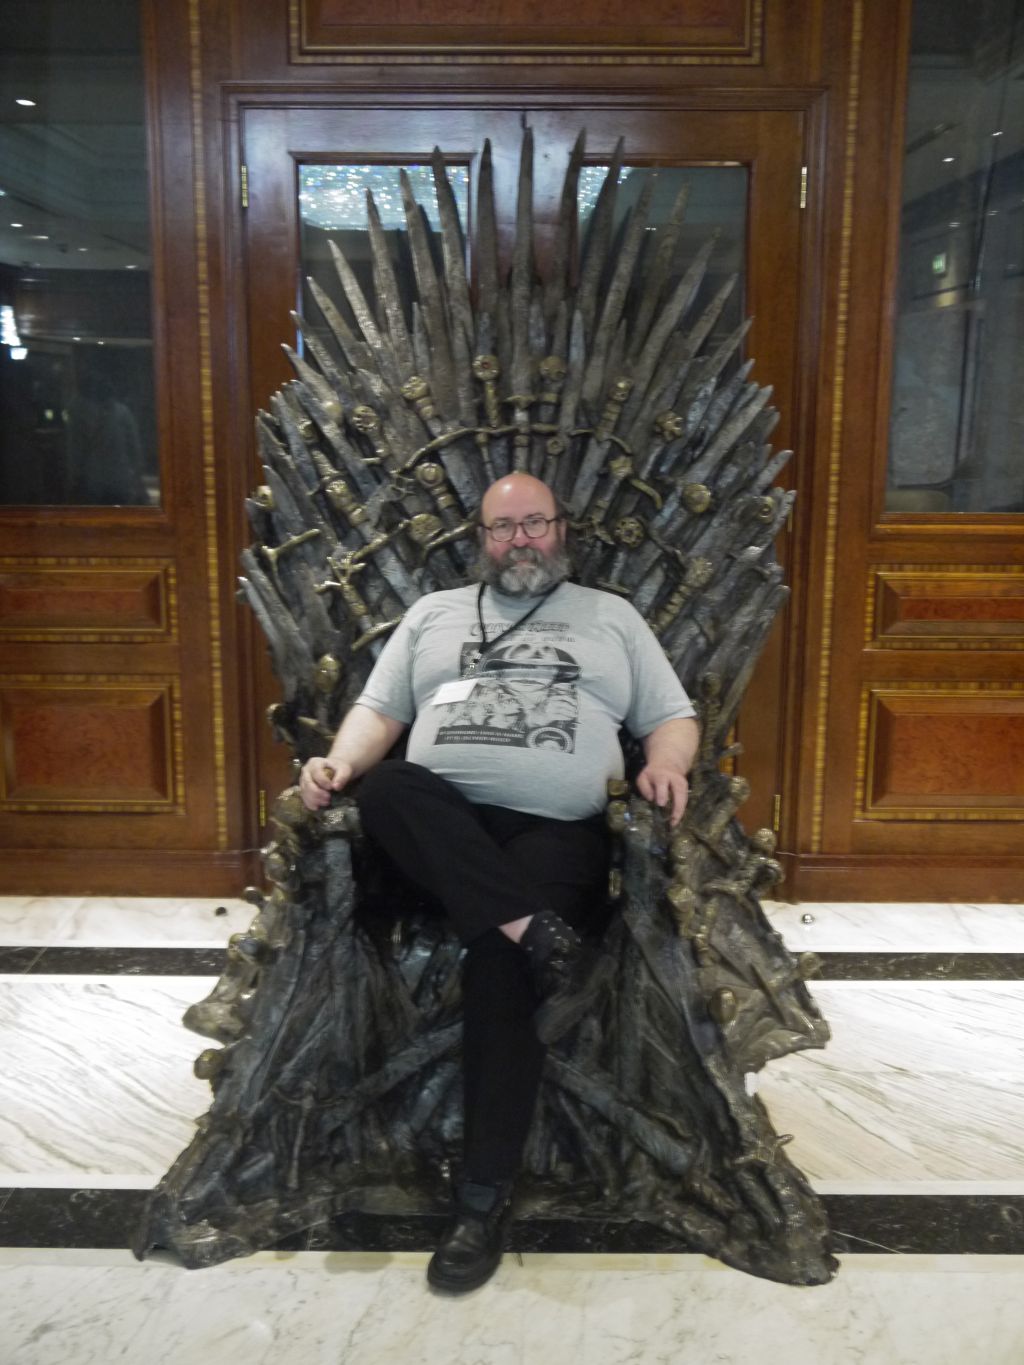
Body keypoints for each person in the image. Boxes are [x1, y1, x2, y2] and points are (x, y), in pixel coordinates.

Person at [299, 472, 699, 1292]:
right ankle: (538, 931)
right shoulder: (433, 614)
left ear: (561, 528)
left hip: (556, 835)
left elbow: (672, 715)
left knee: (500, 961)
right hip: (440, 826)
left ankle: (481, 1196)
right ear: (480, 539)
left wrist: (663, 765)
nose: (519, 540)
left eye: (533, 523)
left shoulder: (612, 619)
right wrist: (340, 759)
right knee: (388, 786)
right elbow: (380, 711)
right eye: (501, 528)